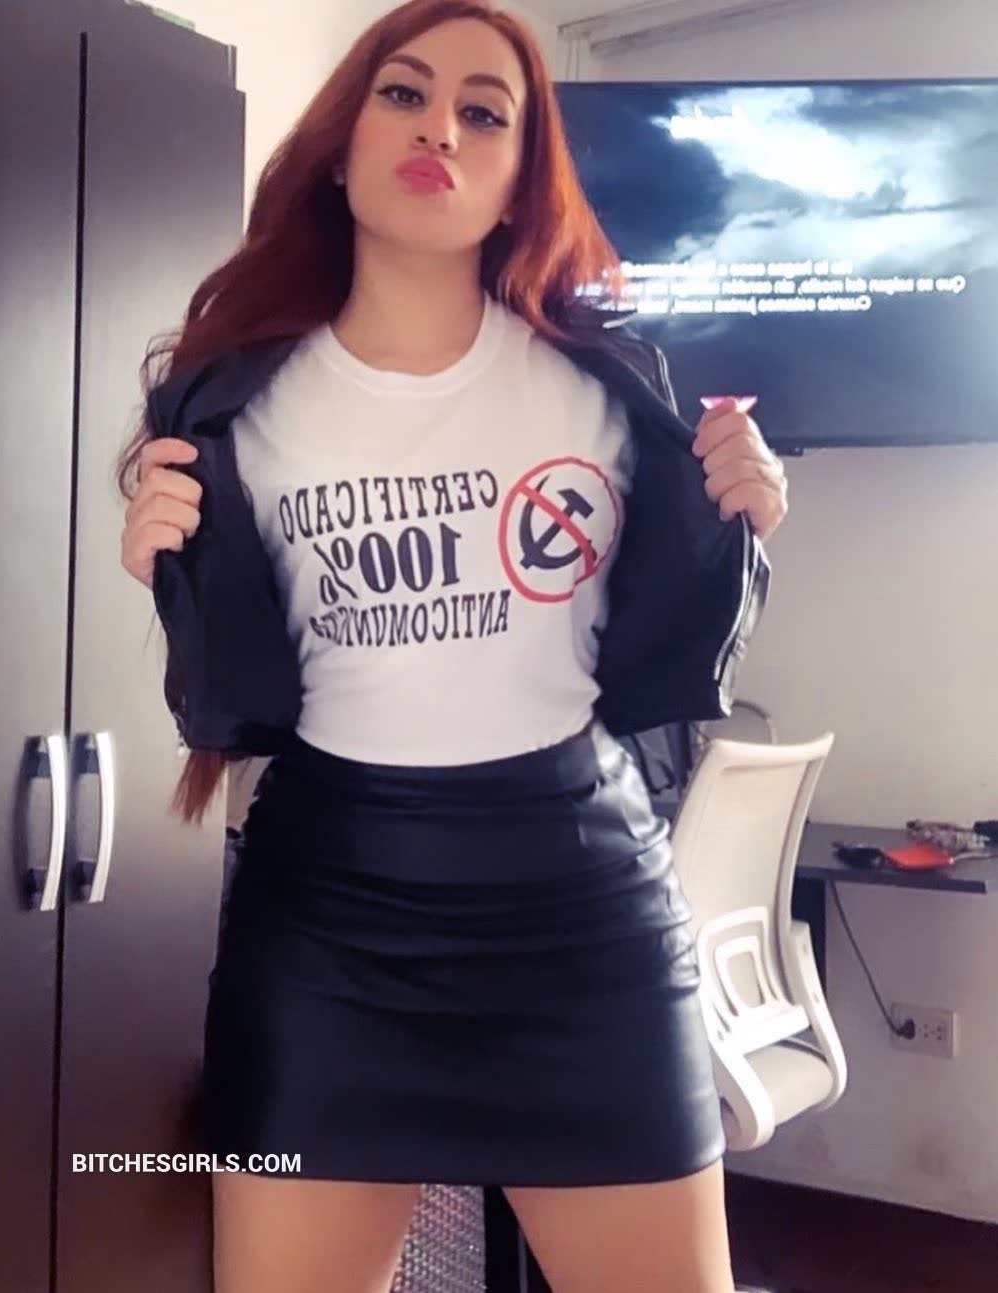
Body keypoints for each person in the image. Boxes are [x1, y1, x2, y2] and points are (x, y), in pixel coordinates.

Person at [117, 2, 788, 1290]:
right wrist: (158, 551)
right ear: (342, 143)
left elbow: (671, 623)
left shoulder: (608, 386)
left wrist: (743, 516)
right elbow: (229, 653)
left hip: (584, 926)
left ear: (520, 174)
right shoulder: (231, 402)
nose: (441, 129)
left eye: (485, 113)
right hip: (327, 930)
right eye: (405, 94)